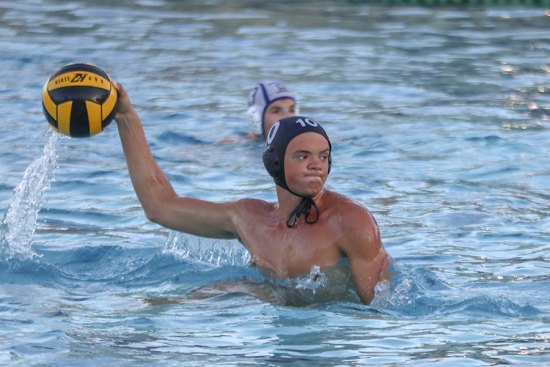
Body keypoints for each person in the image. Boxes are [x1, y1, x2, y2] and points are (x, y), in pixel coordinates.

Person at [114, 82, 391, 305]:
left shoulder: (350, 221)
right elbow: (159, 207)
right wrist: (126, 118)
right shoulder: (248, 218)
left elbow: (381, 311)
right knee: (169, 303)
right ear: (274, 163)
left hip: (328, 333)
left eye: (324, 155)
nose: (317, 164)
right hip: (273, 319)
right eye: (303, 156)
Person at [218, 80, 299, 144]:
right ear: (256, 118)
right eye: (276, 111)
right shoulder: (234, 145)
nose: (288, 117)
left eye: (291, 110)